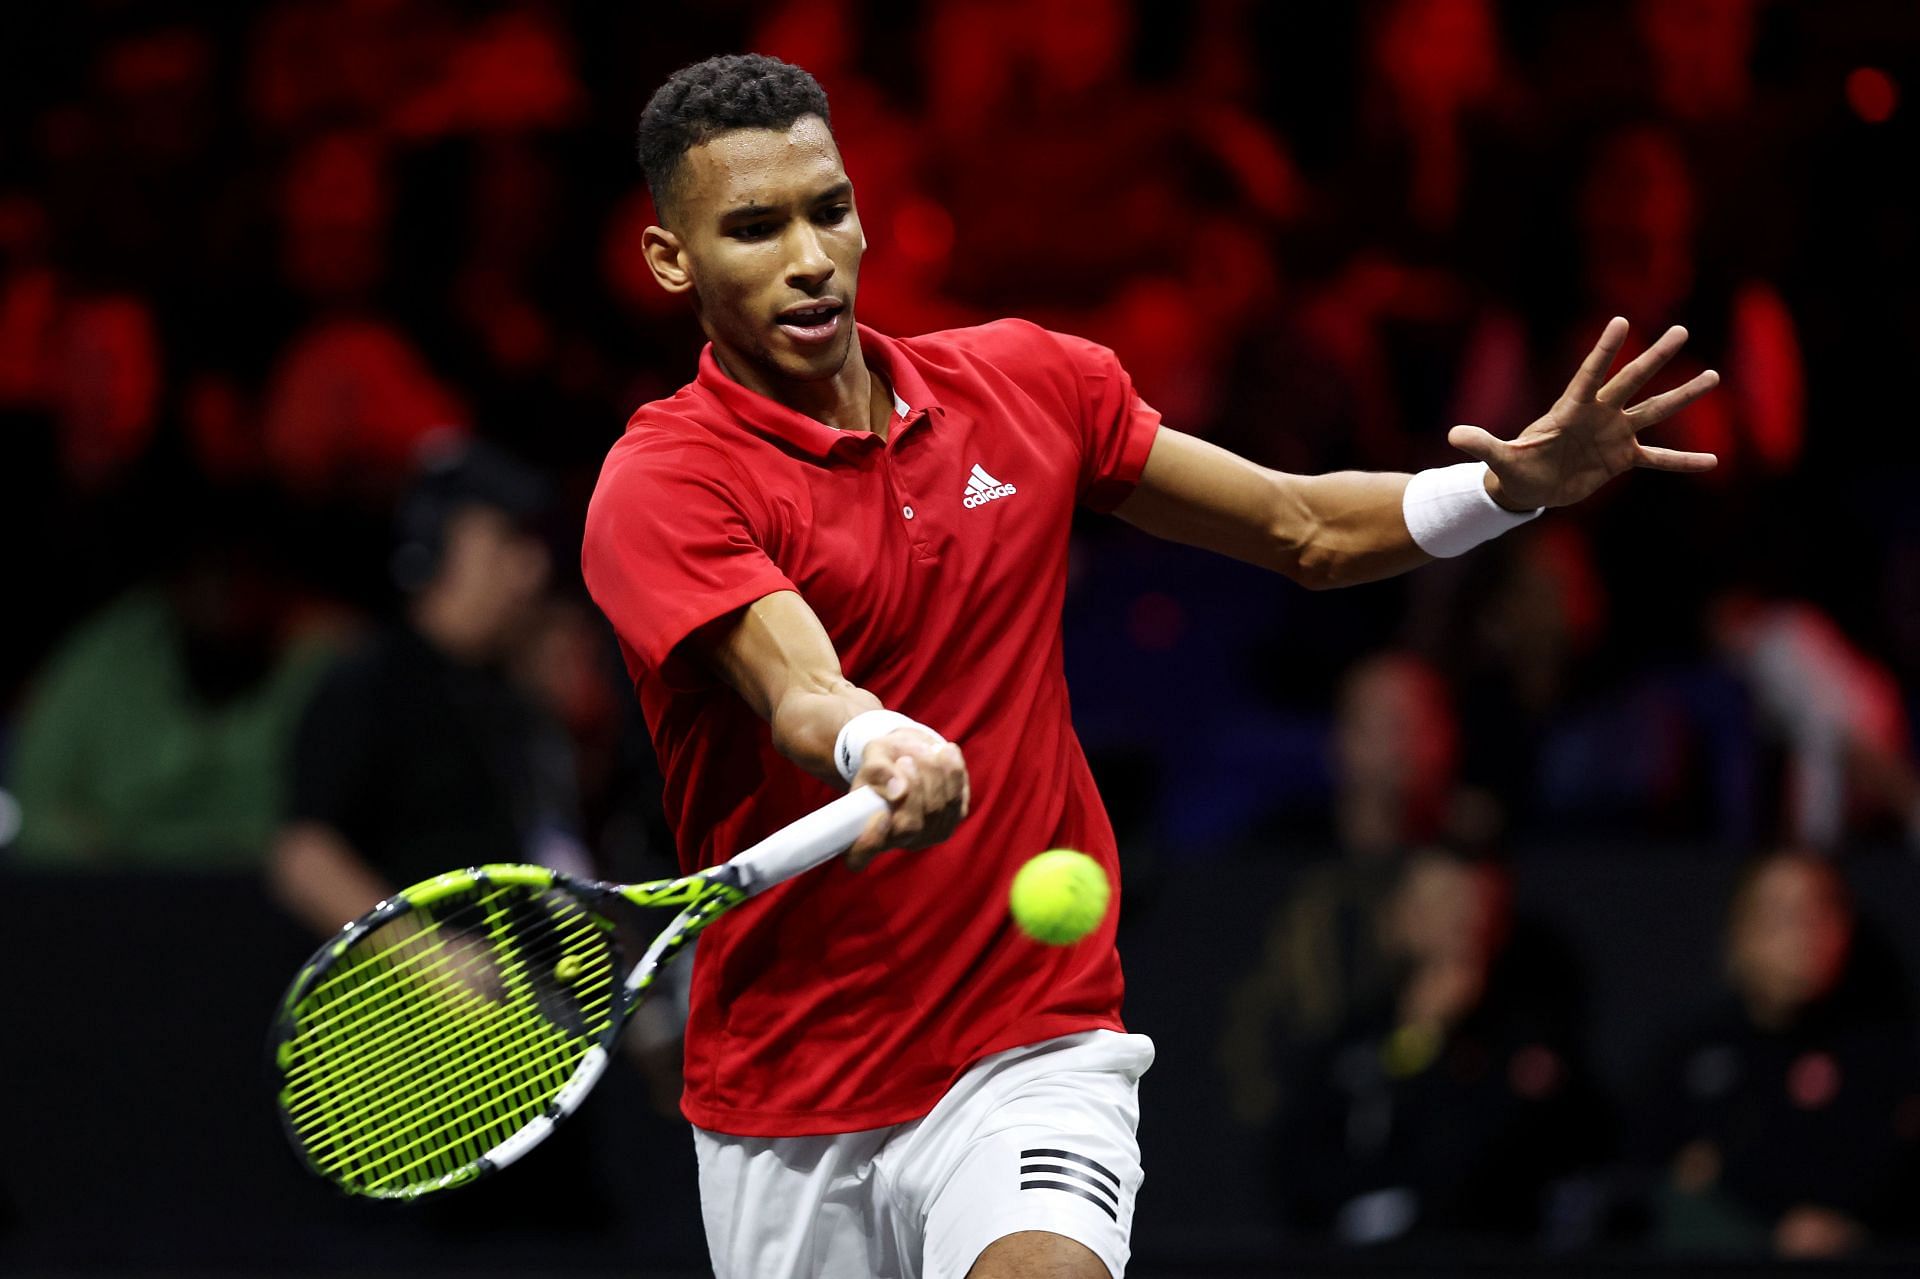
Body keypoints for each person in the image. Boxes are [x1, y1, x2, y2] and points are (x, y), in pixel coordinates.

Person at [580, 54, 1721, 1279]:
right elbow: (797, 681)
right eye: (754, 228)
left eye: (830, 209)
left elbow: (1302, 527)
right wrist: (874, 743)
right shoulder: (663, 481)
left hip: (1027, 1046)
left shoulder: (1027, 383)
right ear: (671, 260)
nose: (810, 257)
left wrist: (1506, 488)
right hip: (789, 1095)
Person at [1633, 850, 1920, 1258]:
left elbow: (1881, 1170)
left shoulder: (1884, 1056)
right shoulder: (1694, 1054)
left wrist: (1727, 1172)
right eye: (1783, 916)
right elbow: (1654, 1179)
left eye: (1820, 911)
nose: (1804, 933)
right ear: (1740, 931)